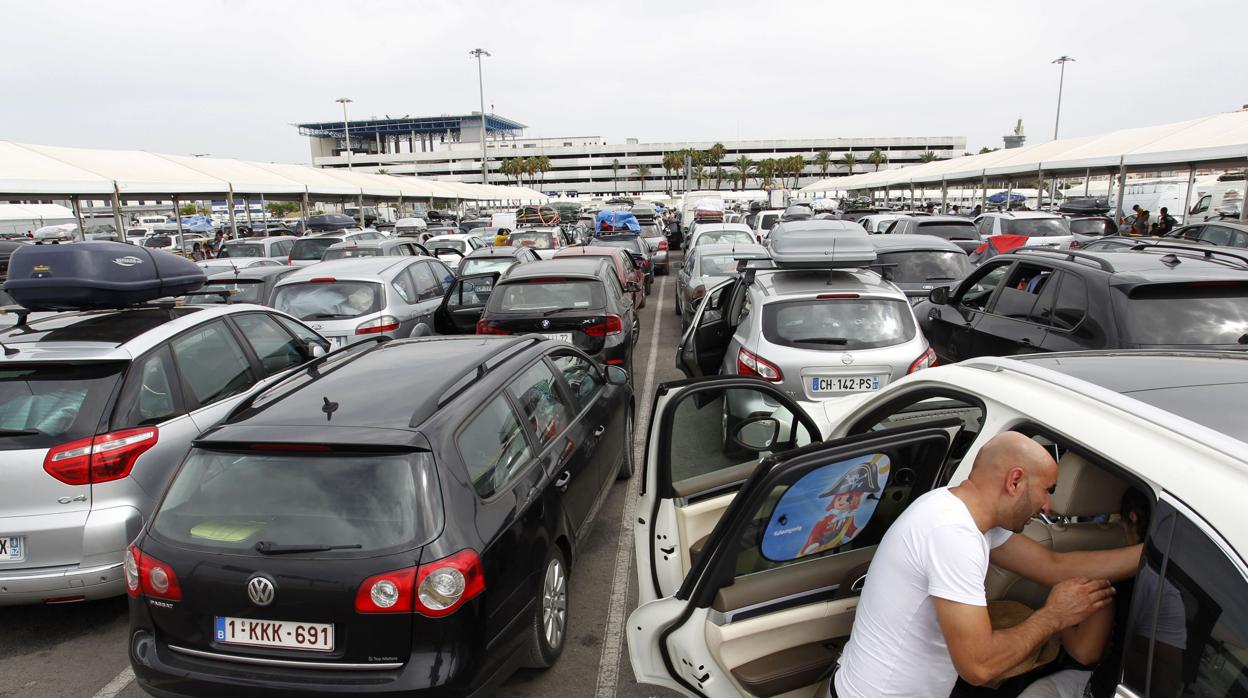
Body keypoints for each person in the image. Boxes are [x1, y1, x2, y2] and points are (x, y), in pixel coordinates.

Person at [833, 432, 1142, 698]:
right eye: (1047, 490)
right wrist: (1054, 616)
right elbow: (978, 666)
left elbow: (1054, 565)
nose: (1048, 505)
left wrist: (1150, 552)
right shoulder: (952, 535)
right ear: (1015, 481)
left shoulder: (956, 508)